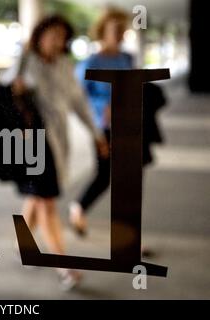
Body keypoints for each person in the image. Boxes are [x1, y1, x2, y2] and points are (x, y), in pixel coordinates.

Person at [0, 15, 108, 288]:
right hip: (33, 143)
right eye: (51, 34)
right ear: (39, 36)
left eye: (62, 36)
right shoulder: (25, 63)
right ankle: (63, 266)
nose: (56, 40)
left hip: (57, 142)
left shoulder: (65, 66)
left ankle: (23, 245)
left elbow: (79, 103)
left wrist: (96, 133)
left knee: (38, 196)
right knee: (46, 202)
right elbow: (1, 97)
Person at [69, 8, 134, 236]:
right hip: (103, 127)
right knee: (105, 175)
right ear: (102, 32)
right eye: (113, 30)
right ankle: (79, 208)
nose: (118, 34)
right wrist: (100, 110)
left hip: (127, 125)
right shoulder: (91, 62)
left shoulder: (126, 58)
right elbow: (77, 98)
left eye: (121, 30)